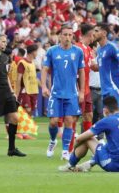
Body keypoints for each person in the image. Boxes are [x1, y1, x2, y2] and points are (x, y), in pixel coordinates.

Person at [58, 96, 119, 172]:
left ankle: (70, 165)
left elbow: (79, 138)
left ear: (105, 110)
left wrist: (72, 151)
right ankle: (89, 163)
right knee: (110, 144)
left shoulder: (108, 120)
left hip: (116, 166)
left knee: (88, 138)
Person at [41, 25, 85, 160]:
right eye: (65, 35)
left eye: (70, 35)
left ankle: (65, 150)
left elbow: (81, 71)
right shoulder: (52, 51)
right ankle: (53, 140)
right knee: (54, 121)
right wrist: (43, 86)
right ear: (60, 36)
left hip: (71, 93)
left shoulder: (78, 52)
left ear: (73, 36)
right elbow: (44, 69)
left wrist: (82, 91)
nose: (67, 37)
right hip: (56, 93)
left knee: (69, 121)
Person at [93, 23, 119, 110]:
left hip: (114, 88)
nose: (94, 33)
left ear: (104, 33)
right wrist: (95, 67)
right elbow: (104, 67)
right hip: (104, 89)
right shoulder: (99, 50)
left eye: (96, 31)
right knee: (108, 117)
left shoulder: (112, 47)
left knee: (114, 115)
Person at [14, 44, 39, 140]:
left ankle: (24, 133)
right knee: (25, 110)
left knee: (29, 112)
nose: (37, 53)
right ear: (32, 52)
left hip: (33, 90)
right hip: (25, 90)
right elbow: (18, 78)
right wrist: (16, 93)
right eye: (36, 51)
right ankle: (18, 132)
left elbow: (33, 78)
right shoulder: (22, 62)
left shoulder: (32, 63)